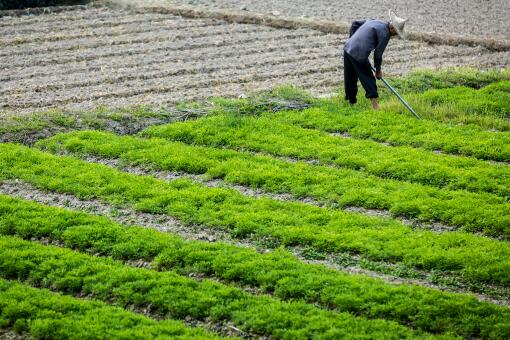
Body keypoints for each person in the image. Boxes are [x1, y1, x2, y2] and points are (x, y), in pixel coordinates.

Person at [343, 10, 407, 110]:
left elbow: (354, 23)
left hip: (347, 48)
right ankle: (375, 107)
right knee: (368, 78)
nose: (396, 35)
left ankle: (351, 103)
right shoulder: (385, 34)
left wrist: (352, 40)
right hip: (359, 54)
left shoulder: (375, 21)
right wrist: (378, 71)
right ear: (392, 28)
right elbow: (378, 55)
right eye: (397, 32)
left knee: (350, 76)